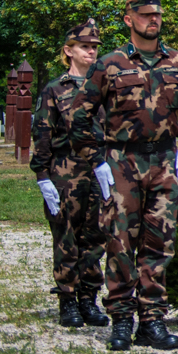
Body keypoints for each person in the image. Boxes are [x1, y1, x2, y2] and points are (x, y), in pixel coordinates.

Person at [73, 0, 178, 352]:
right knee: (120, 242)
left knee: (159, 243)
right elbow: (80, 115)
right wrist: (98, 159)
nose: (154, 21)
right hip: (122, 162)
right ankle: (121, 320)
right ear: (129, 19)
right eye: (146, 15)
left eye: (158, 15)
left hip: (164, 162)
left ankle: (152, 320)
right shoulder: (109, 64)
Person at [30, 18, 110, 329]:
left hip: (99, 169)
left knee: (95, 235)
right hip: (66, 169)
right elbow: (43, 133)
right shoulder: (54, 89)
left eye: (94, 48)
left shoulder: (103, 88)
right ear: (69, 51)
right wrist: (42, 176)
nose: (91, 52)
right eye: (85, 47)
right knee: (66, 235)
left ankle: (88, 299)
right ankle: (67, 300)